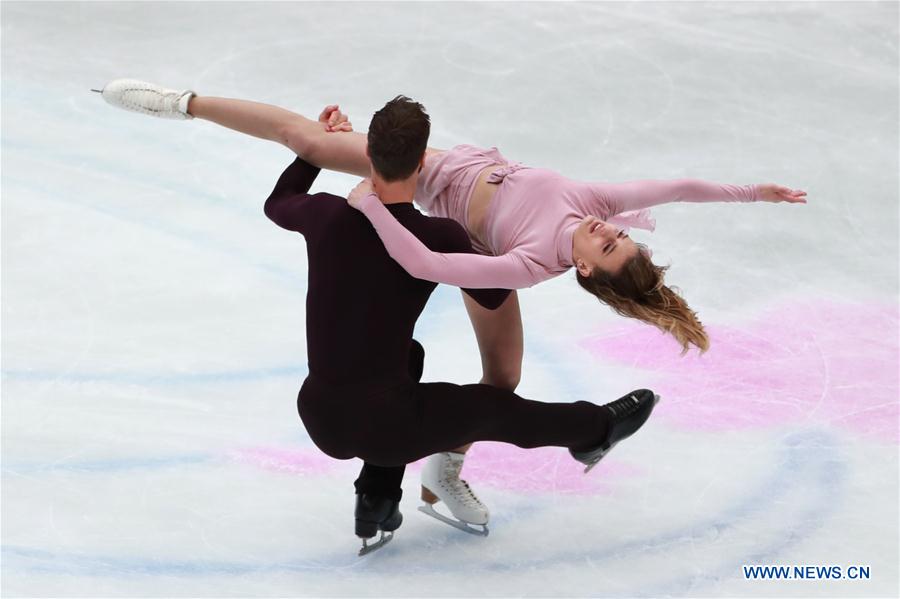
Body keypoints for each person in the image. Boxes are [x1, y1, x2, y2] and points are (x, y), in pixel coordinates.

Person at [98, 83, 660, 554]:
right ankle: (594, 429)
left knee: (405, 358)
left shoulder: (323, 217)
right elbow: (492, 298)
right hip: (381, 422)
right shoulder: (437, 235)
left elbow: (279, 202)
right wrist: (523, 255)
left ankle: (378, 495)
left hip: (318, 410)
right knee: (491, 406)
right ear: (423, 164)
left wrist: (309, 157)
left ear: (367, 156)